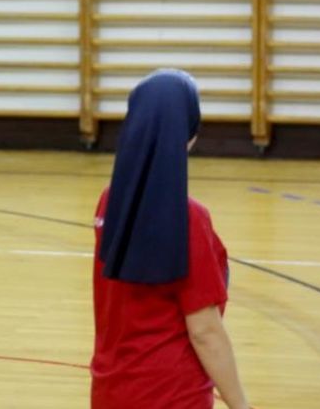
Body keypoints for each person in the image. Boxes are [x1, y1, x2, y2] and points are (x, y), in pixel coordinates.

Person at [90, 69, 249, 409]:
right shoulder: (190, 217)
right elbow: (205, 332)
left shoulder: (109, 200)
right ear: (189, 135)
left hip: (110, 392)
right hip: (173, 395)